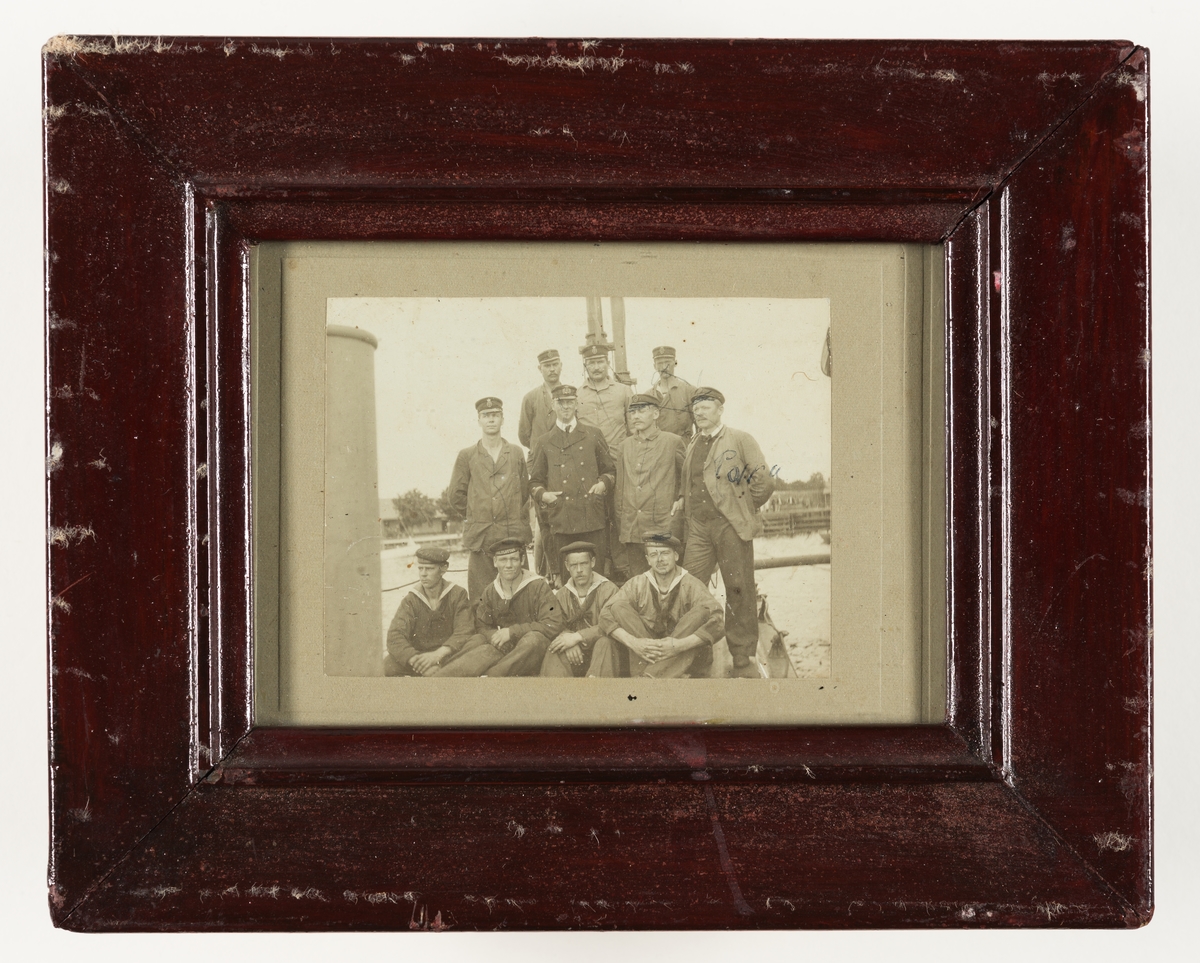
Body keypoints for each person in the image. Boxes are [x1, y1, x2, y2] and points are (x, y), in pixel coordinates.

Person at [674, 388, 774, 679]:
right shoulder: (694, 443)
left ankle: (742, 654)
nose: (699, 412)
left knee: (738, 587)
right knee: (691, 587)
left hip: (730, 525)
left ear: (720, 410)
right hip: (699, 527)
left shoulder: (740, 439)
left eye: (705, 407)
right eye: (696, 408)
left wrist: (743, 507)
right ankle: (698, 651)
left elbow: (764, 481)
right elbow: (688, 482)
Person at [588, 534, 724, 679]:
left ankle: (648, 676)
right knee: (618, 607)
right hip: (643, 653)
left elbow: (718, 621)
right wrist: (634, 643)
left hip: (679, 651)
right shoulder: (637, 583)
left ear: (676, 556)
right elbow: (605, 616)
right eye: (654, 555)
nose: (660, 559)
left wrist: (678, 645)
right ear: (648, 560)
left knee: (702, 612)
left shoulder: (691, 584)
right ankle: (656, 674)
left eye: (665, 553)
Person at [435, 538, 563, 677]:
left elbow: (553, 623)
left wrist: (512, 632)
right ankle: (441, 675)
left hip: (532, 651)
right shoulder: (490, 591)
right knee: (478, 641)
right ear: (495, 562)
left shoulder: (538, 586)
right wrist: (494, 636)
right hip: (505, 647)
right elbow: (481, 626)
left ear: (522, 560)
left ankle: (491, 676)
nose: (508, 565)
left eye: (514, 559)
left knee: (534, 639)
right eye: (503, 560)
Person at [447, 396, 533, 600]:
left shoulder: (516, 453)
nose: (491, 419)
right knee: (481, 597)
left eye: (495, 415)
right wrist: (477, 513)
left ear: (502, 419)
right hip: (481, 537)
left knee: (521, 595)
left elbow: (524, 492)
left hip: (511, 534)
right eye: (486, 415)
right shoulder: (467, 455)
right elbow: (455, 495)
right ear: (479, 420)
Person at [528, 383, 616, 581]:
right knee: (567, 580)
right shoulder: (544, 441)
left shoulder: (593, 434)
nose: (565, 407)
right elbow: (534, 482)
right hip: (561, 519)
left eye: (569, 402)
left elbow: (610, 471)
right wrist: (545, 495)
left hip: (591, 516)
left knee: (595, 577)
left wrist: (602, 484)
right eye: (561, 402)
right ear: (553, 405)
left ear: (577, 404)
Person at [614, 393, 684, 580]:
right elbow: (620, 488)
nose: (635, 416)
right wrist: (622, 524)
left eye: (641, 411)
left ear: (655, 414)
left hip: (662, 526)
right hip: (633, 528)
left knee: (667, 579)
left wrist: (681, 498)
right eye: (632, 412)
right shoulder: (624, 446)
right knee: (639, 582)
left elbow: (685, 479)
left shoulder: (672, 442)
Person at [384, 546, 474, 676]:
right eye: (420, 568)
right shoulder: (411, 600)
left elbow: (465, 630)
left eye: (429, 569)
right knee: (387, 666)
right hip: (420, 657)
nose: (423, 574)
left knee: (476, 642)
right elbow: (395, 635)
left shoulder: (457, 594)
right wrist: (417, 662)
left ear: (444, 569)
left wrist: (437, 655)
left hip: (448, 655)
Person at [540, 541, 618, 678]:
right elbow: (555, 624)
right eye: (573, 565)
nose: (579, 570)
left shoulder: (609, 590)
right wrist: (567, 639)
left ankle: (597, 687)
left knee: (605, 643)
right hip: (575, 654)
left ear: (592, 562)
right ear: (567, 566)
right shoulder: (561, 595)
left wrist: (577, 637)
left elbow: (612, 625)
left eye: (584, 563)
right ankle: (556, 688)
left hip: (602, 652)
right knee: (555, 647)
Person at [576, 343, 632, 455]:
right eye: (591, 363)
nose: (596, 367)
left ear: (608, 363)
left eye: (600, 362)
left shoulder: (624, 391)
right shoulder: (577, 395)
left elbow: (634, 428)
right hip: (589, 459)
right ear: (585, 366)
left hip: (618, 458)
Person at [518, 348, 563, 450]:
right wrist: (538, 447)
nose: (552, 369)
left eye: (555, 364)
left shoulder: (570, 395)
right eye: (547, 366)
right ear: (540, 368)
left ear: (561, 366)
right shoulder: (530, 398)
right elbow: (524, 435)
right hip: (540, 455)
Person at [649, 345, 696, 441]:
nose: (664, 367)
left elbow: (701, 425)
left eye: (668, 362)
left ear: (675, 363)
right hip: (657, 447)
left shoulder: (688, 390)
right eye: (659, 363)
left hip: (683, 446)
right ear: (654, 366)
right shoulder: (649, 395)